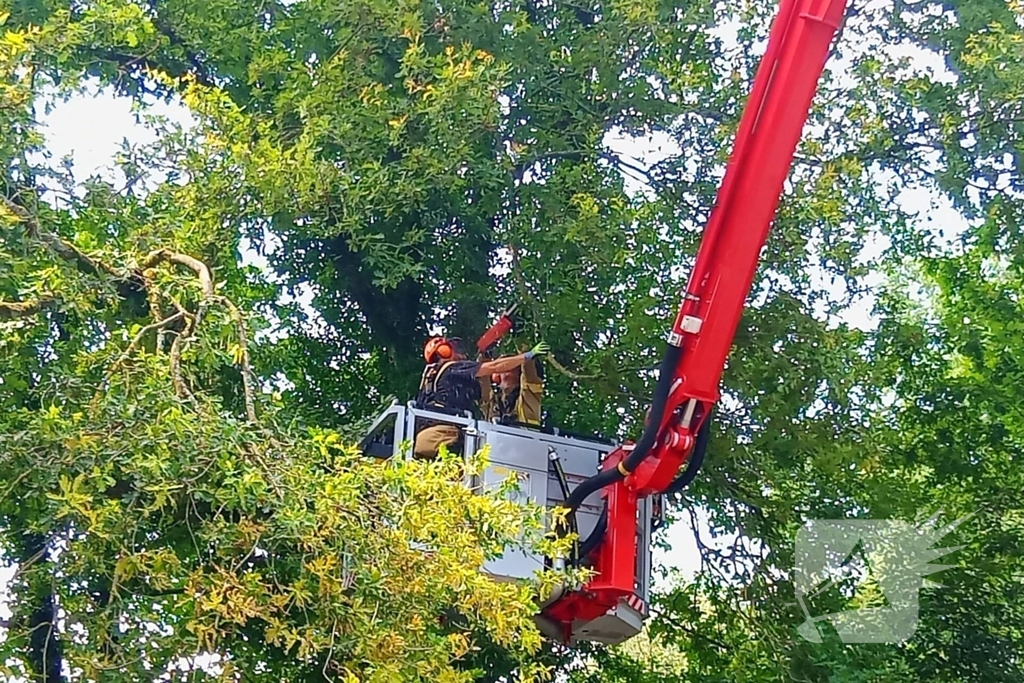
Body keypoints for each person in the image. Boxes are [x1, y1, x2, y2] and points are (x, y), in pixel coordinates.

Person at [413, 336, 549, 458]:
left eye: (509, 367)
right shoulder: (453, 369)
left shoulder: (528, 398)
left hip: (523, 452)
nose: (503, 371)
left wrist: (523, 345)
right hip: (443, 440)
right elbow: (490, 371)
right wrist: (526, 354)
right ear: (444, 351)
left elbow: (529, 376)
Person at [486, 348, 544, 426]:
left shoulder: (529, 395)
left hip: (524, 433)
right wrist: (483, 352)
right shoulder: (494, 401)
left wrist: (522, 346)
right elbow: (481, 378)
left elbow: (529, 372)